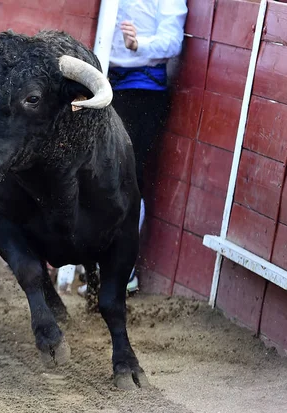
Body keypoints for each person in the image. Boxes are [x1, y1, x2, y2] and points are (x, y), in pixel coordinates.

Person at [74, 0, 188, 297]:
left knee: (126, 176)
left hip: (142, 92)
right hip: (100, 83)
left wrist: (139, 44)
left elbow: (173, 42)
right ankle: (90, 262)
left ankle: (124, 269)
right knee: (87, 170)